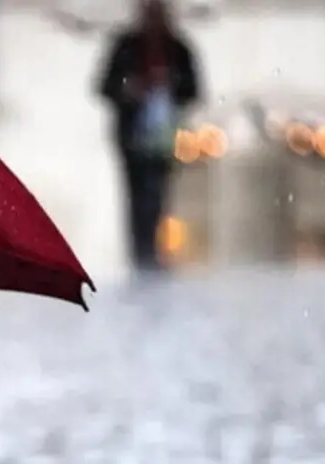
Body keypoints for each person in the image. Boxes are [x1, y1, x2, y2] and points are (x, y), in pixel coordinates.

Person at [97, 0, 201, 271]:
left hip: (165, 136)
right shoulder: (125, 47)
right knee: (136, 197)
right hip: (132, 136)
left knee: (160, 196)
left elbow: (193, 89)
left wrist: (170, 86)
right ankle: (140, 254)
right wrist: (130, 89)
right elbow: (105, 85)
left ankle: (157, 250)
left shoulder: (177, 49)